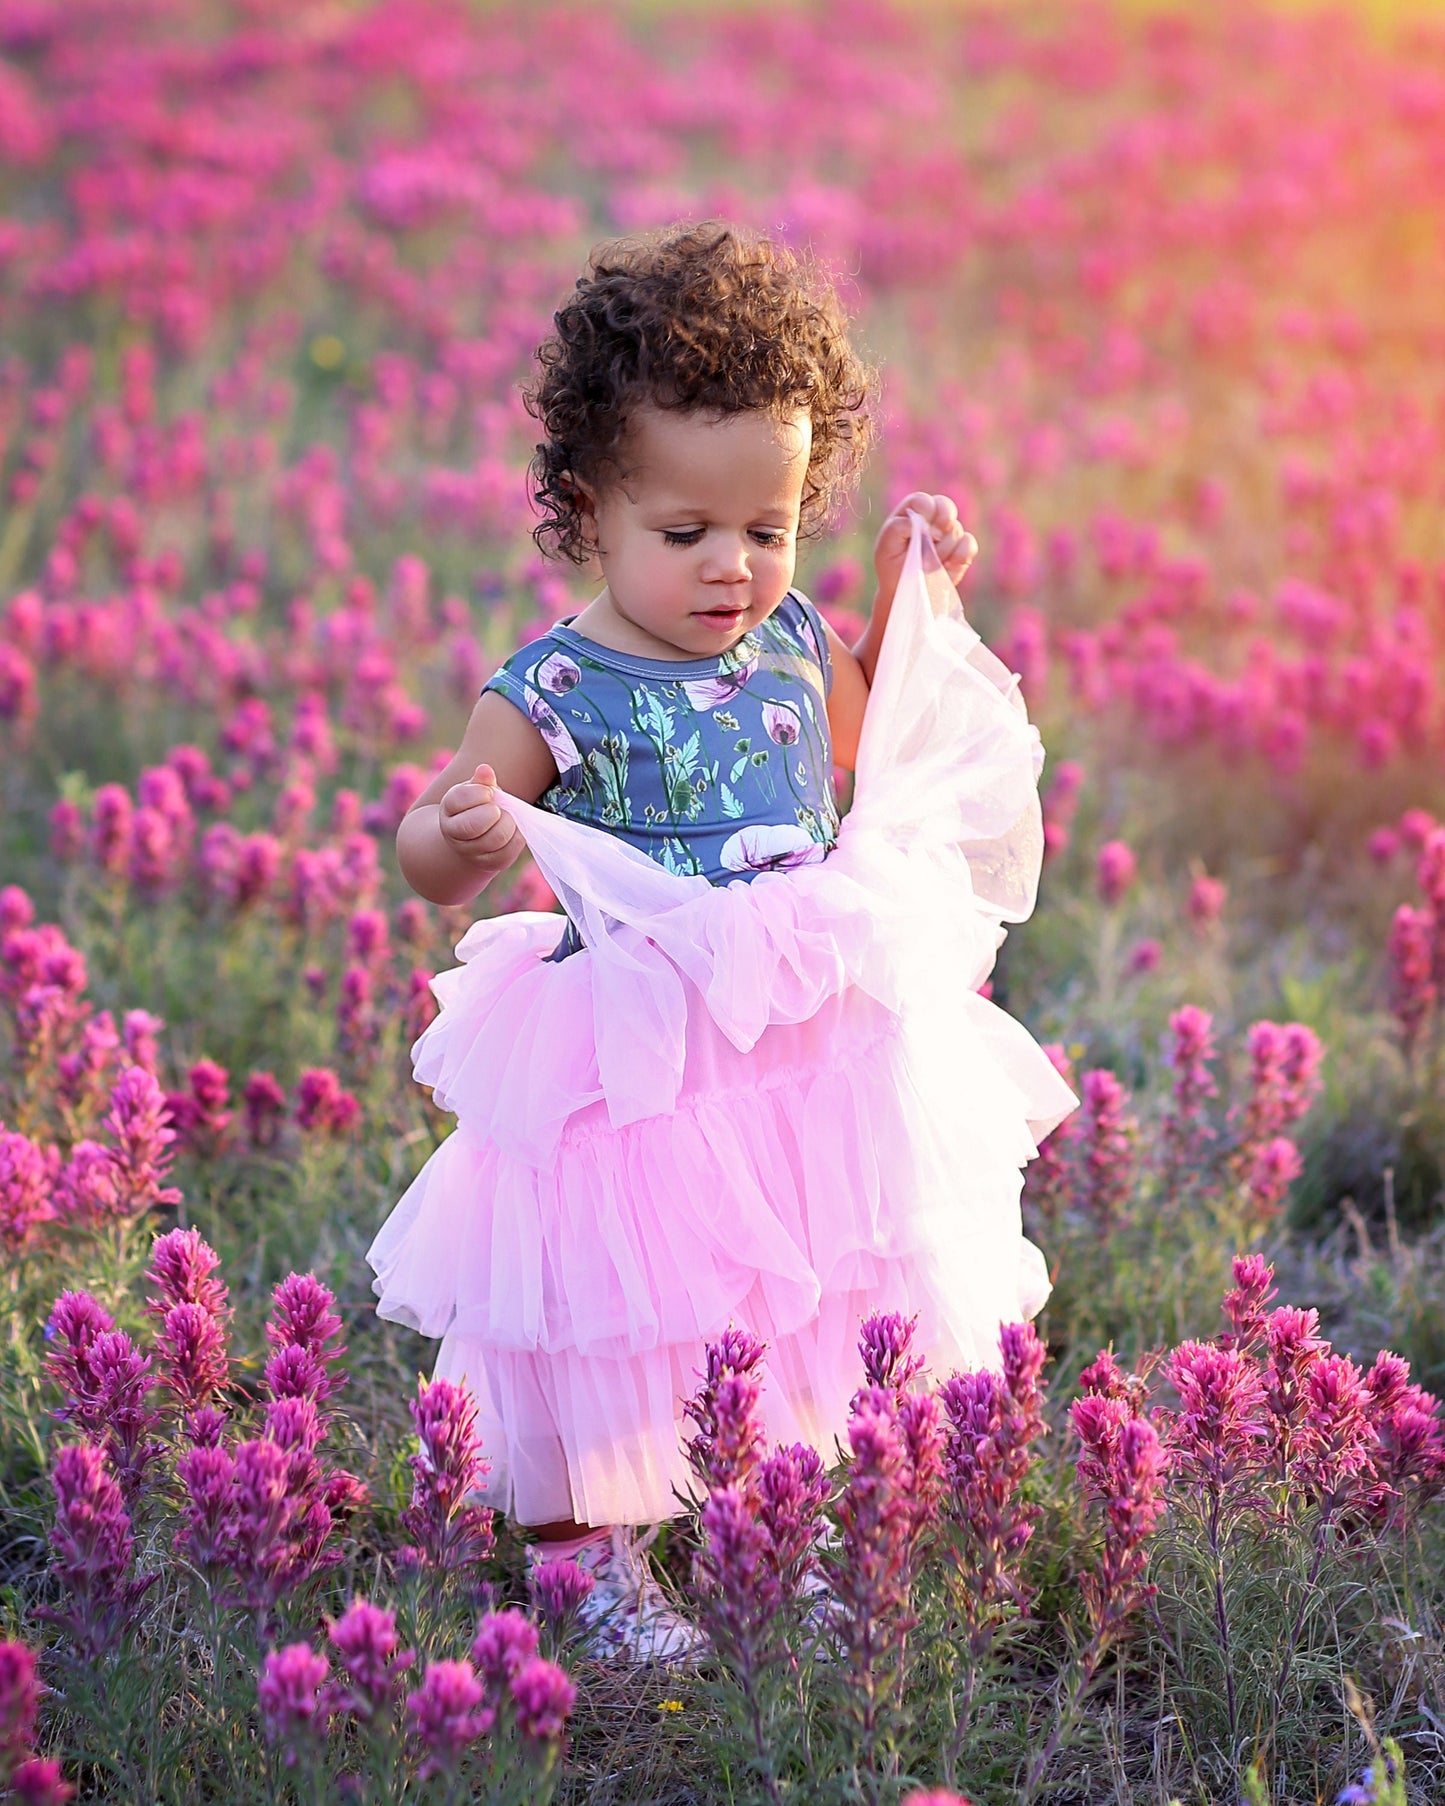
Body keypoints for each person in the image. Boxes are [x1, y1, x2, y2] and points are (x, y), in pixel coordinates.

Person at [367, 222, 1077, 1661]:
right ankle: (587, 1558)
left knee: (795, 1281)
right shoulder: (557, 684)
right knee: (599, 1306)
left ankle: (774, 1515)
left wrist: (896, 590)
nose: (729, 567)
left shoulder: (792, 637)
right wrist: (466, 831)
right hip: (632, 1062)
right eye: (682, 532)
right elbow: (425, 857)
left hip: (783, 1049)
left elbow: (852, 742)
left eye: (768, 527)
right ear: (587, 508)